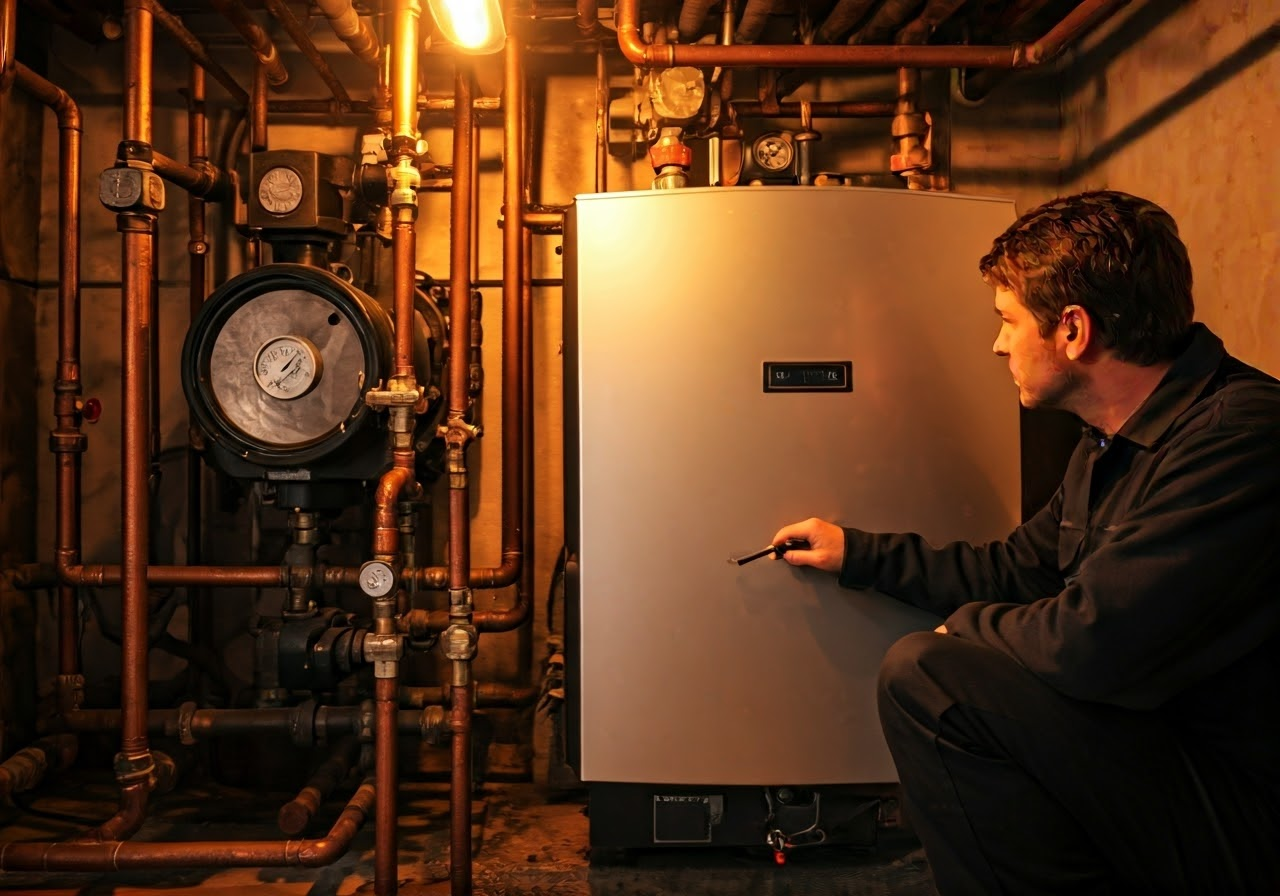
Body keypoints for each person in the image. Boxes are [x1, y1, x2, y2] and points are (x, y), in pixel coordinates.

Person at [771, 190, 1280, 895]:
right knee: (941, 669)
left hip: (1241, 808)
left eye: (1008, 321)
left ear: (1072, 330)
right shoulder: (1111, 439)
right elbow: (1017, 571)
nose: (998, 344)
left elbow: (1093, 643)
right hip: (1162, 752)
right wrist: (858, 553)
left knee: (930, 678)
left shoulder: (1240, 437)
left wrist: (965, 630)